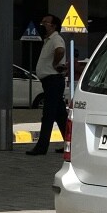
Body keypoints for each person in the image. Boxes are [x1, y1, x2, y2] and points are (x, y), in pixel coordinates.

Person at [27, 14, 67, 156]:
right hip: (50, 81)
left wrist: (55, 63)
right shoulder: (49, 40)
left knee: (48, 114)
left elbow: (60, 50)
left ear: (53, 25)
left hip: (53, 81)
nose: (42, 24)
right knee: (61, 115)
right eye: (42, 21)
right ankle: (71, 145)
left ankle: (41, 146)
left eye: (46, 22)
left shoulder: (56, 38)